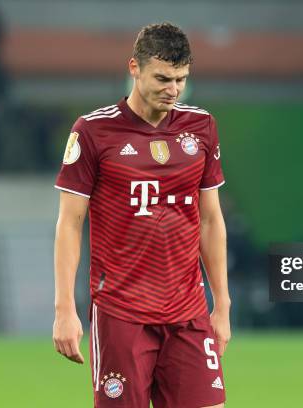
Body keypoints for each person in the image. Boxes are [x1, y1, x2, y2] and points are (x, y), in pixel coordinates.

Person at [52, 23, 230, 408]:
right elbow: (70, 223)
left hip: (188, 311)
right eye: (163, 78)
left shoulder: (202, 127)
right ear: (134, 67)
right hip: (122, 314)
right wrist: (64, 309)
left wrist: (223, 304)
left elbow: (210, 220)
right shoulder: (93, 132)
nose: (173, 89)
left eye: (181, 79)